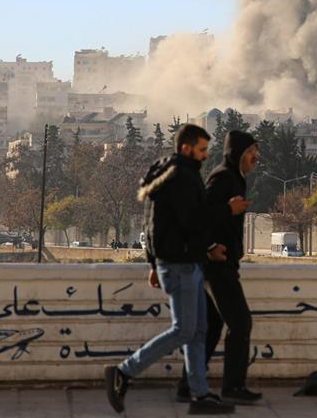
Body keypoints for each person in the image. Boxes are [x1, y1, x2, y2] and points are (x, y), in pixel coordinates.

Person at [103, 124, 232, 416]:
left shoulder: (168, 172)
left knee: (198, 331)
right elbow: (193, 221)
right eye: (202, 150)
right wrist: (227, 210)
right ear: (186, 148)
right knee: (184, 330)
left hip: (182, 263)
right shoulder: (182, 177)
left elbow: (154, 224)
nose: (206, 155)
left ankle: (200, 395)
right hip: (181, 265)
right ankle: (123, 372)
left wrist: (153, 263)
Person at [192, 130, 260, 405]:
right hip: (217, 265)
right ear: (238, 153)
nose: (256, 157)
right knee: (241, 323)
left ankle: (189, 383)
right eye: (251, 151)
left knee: (213, 324)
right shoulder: (223, 177)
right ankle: (233, 387)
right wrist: (210, 246)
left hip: (224, 264)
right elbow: (200, 216)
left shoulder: (235, 179)